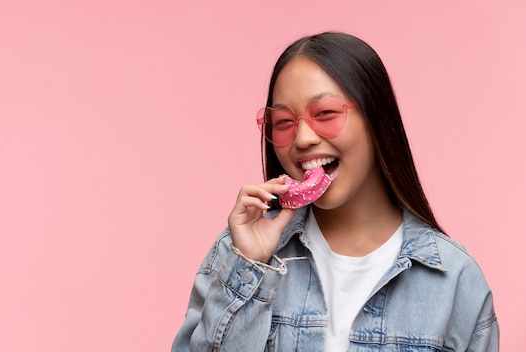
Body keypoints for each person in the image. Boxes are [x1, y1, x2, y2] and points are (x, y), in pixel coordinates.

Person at [171, 32, 499, 351]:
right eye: (284, 122)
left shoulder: (455, 279)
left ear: (376, 119)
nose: (302, 139)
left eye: (325, 114)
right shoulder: (236, 252)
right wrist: (249, 268)